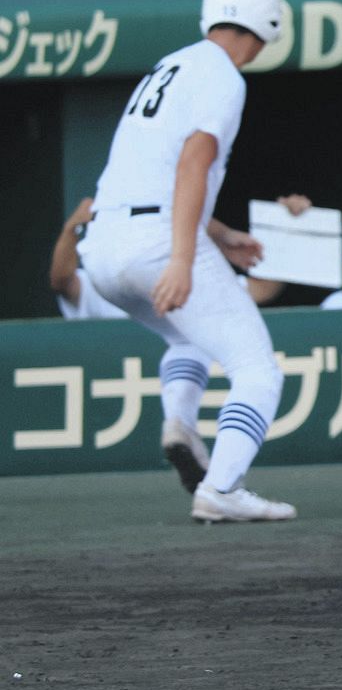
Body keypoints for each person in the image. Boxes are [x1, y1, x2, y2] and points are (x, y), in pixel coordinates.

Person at [77, 0, 296, 523]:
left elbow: (152, 167)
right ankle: (221, 488)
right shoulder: (223, 74)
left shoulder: (171, 64)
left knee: (191, 339)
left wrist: (219, 236)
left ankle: (181, 426)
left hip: (102, 245)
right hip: (155, 242)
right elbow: (193, 163)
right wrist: (182, 257)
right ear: (266, 17)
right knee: (257, 369)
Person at [50, 192, 312, 496]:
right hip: (136, 278)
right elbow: (61, 281)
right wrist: (73, 228)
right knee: (251, 368)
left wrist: (279, 227)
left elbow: (262, 289)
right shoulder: (102, 279)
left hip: (162, 275)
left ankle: (181, 426)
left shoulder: (183, 277)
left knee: (191, 341)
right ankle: (215, 479)